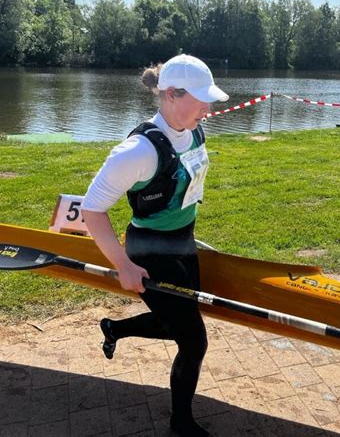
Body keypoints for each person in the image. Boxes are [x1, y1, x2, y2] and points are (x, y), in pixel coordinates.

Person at [82, 54, 228, 437]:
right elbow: (91, 210)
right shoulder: (137, 152)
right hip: (149, 249)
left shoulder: (195, 130)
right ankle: (180, 424)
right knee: (193, 341)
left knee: (175, 325)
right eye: (200, 100)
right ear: (171, 95)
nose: (207, 108)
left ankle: (114, 328)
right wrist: (122, 265)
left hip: (182, 241)